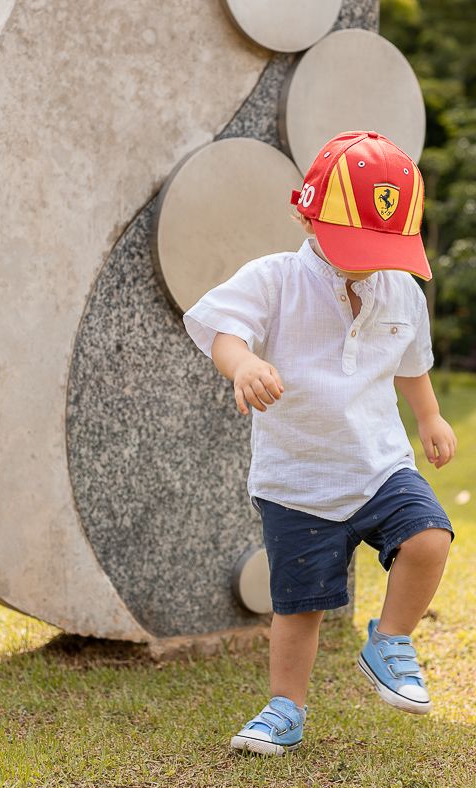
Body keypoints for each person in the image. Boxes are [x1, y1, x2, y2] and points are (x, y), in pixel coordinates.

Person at [182, 130, 457, 755]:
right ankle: (286, 707)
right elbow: (225, 331)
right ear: (306, 216)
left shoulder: (402, 292)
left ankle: (390, 640)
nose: (368, 262)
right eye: (356, 245)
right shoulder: (275, 280)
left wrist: (430, 418)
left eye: (382, 248)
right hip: (297, 480)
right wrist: (244, 364)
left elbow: (411, 363)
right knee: (299, 608)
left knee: (430, 538)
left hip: (379, 465)